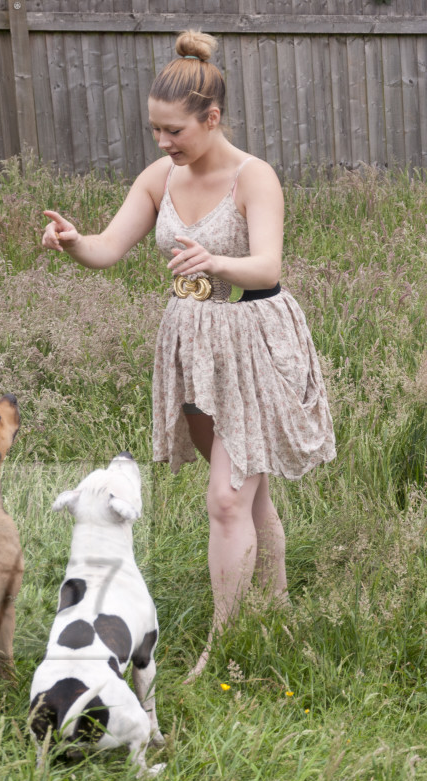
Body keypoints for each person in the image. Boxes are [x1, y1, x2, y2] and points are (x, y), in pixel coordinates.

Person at [41, 28, 335, 681]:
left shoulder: (254, 177)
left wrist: (216, 259)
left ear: (212, 117)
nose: (165, 143)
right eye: (156, 131)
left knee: (227, 500)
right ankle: (275, 613)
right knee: (249, 500)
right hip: (193, 348)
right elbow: (108, 248)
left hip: (253, 339)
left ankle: (225, 646)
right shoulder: (158, 178)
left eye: (175, 130)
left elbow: (267, 264)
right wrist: (72, 241)